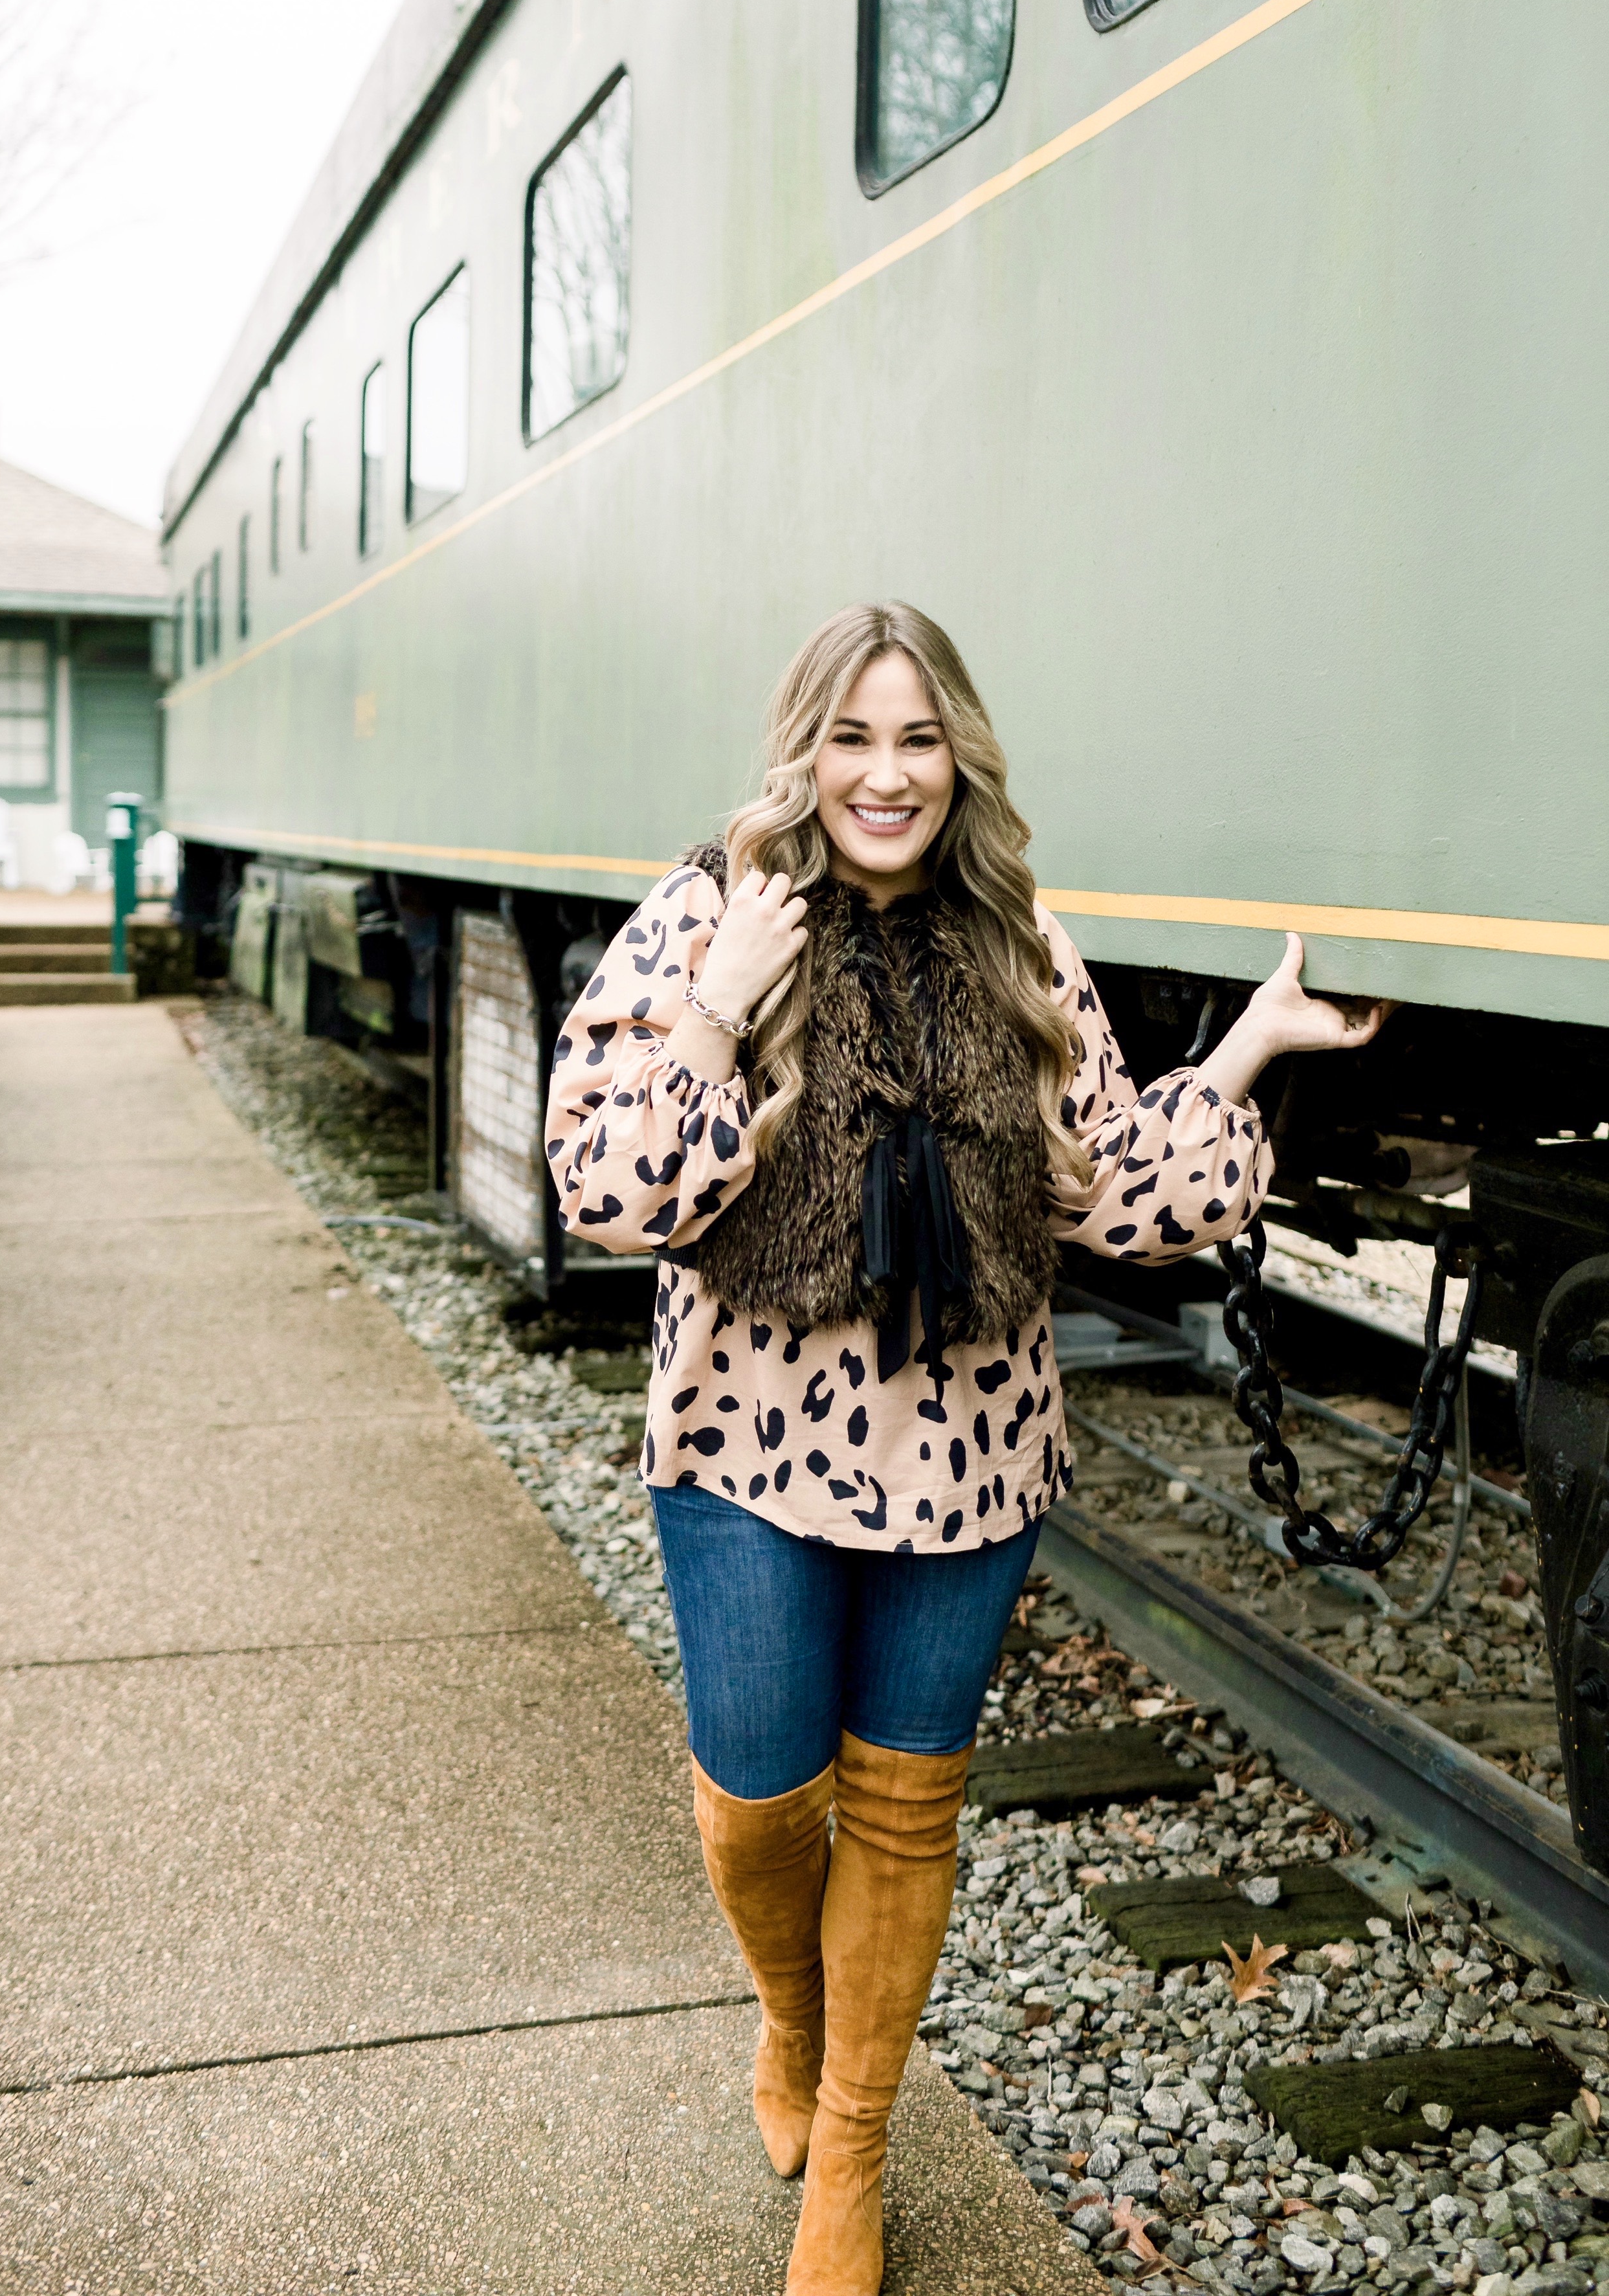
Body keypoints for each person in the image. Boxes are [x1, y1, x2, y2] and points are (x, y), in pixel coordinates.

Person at [545, 602, 1385, 2295]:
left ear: (957, 759)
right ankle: (793, 2016)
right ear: (804, 752)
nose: (884, 773)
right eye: (851, 737)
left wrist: (1245, 1052)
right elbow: (616, 1193)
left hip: (972, 1454)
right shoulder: (703, 917)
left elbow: (1113, 1186)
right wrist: (716, 1008)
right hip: (742, 1440)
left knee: (909, 1816)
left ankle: (849, 2148)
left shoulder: (1015, 942)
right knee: (757, 1798)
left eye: (915, 738)